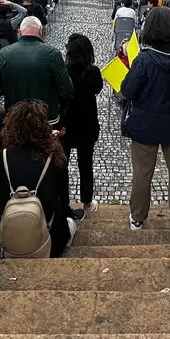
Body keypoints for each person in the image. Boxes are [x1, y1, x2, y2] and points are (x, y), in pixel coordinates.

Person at [120, 6, 170, 230]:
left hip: (146, 124)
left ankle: (137, 217)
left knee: (142, 173)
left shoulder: (144, 60)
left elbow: (127, 90)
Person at [0, 100, 77, 258]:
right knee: (68, 222)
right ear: (44, 126)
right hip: (49, 233)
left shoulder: (2, 156)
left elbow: (2, 196)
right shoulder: (54, 156)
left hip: (11, 231)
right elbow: (62, 198)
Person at [0, 16, 73, 126]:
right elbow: (66, 90)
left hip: (15, 116)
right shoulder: (53, 54)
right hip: (46, 117)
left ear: (19, 32)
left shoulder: (3, 54)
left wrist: (10, 88)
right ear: (41, 31)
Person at [62, 33, 102, 214]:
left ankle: (62, 201)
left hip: (66, 124)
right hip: (87, 124)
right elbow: (98, 89)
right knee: (86, 165)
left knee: (62, 164)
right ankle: (86, 202)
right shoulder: (92, 72)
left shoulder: (63, 71)